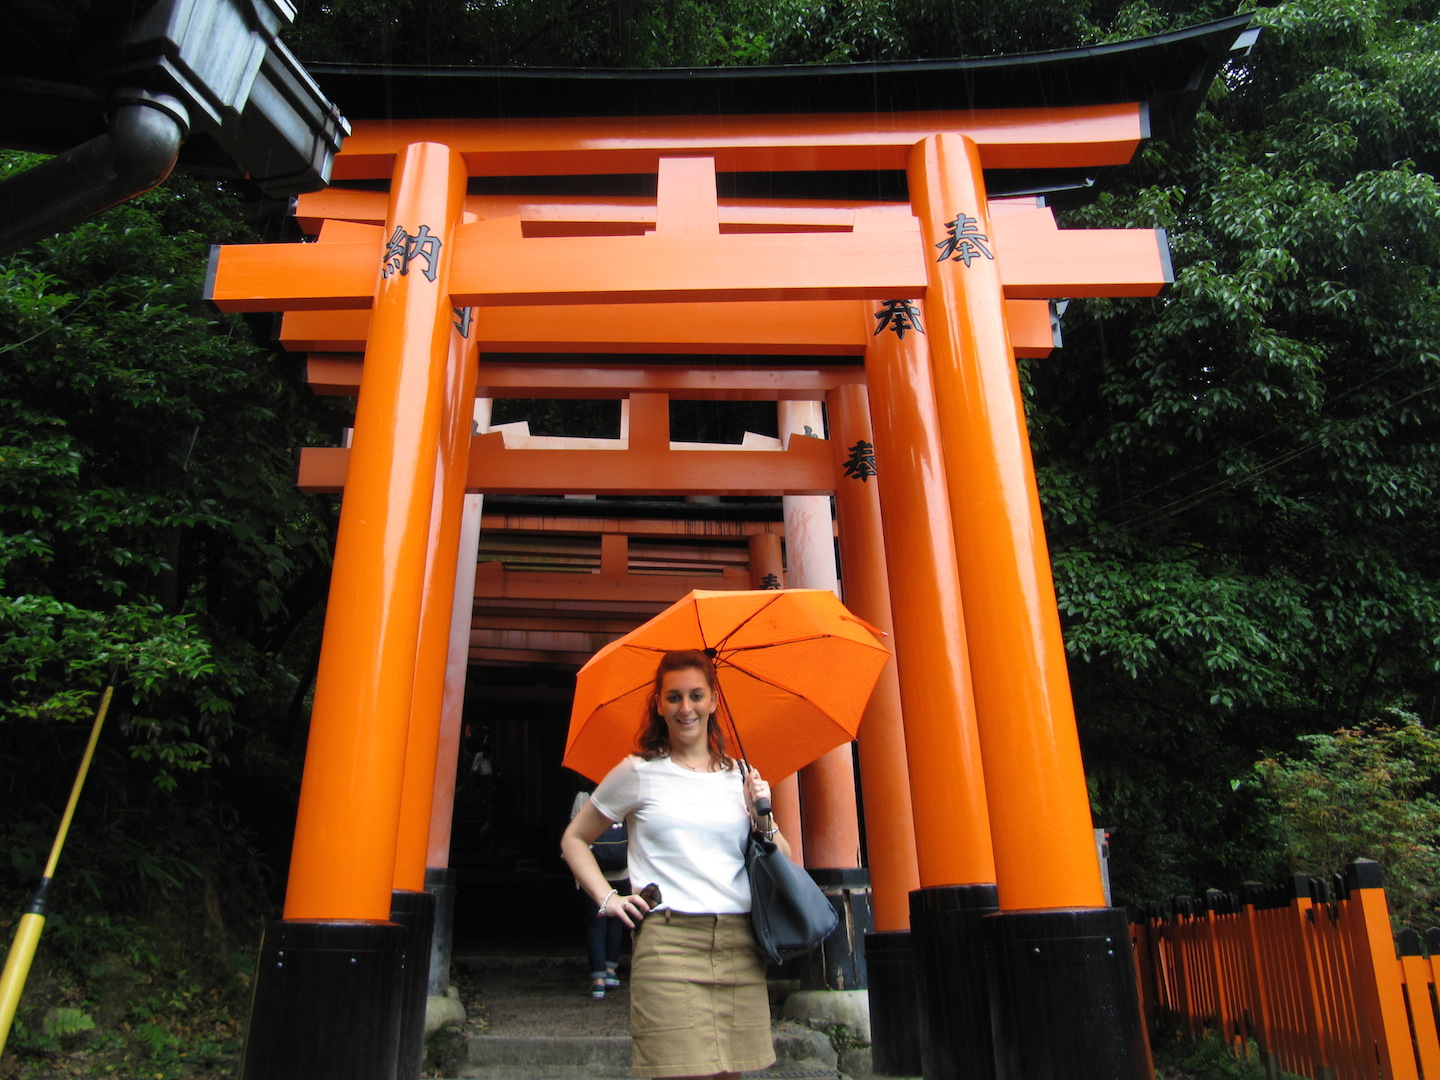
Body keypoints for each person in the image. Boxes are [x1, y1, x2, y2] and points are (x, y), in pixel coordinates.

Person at [561, 649, 790, 1080]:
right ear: (659, 704)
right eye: (674, 697)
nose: (686, 708)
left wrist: (762, 815)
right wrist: (608, 898)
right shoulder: (638, 772)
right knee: (675, 1071)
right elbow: (574, 839)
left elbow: (786, 862)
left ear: (714, 700)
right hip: (668, 945)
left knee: (731, 1073)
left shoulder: (740, 776)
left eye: (696, 695)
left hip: (739, 941)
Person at [570, 790, 630, 998]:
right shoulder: (627, 791)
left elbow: (575, 836)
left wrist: (579, 874)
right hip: (623, 871)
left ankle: (598, 980)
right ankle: (611, 970)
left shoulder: (584, 797)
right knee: (616, 921)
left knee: (596, 924)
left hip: (593, 873)